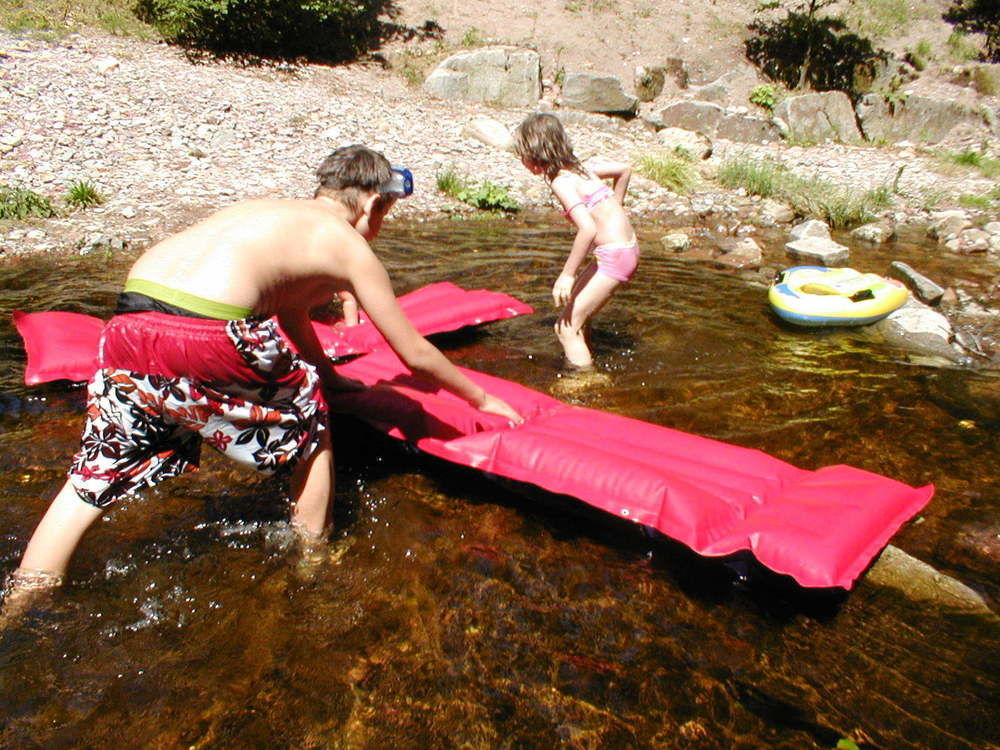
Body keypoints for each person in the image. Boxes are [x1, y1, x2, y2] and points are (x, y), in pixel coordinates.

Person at [5, 144, 523, 599]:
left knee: (95, 474)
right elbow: (414, 352)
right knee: (311, 425)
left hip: (126, 325)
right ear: (371, 202)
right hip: (208, 333)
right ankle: (313, 562)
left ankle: (25, 599)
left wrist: (330, 371)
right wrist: (480, 399)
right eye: (385, 212)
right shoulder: (347, 241)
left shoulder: (265, 211)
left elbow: (287, 307)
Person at [513, 113, 637, 369]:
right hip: (627, 249)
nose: (522, 160)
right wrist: (616, 208)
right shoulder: (582, 169)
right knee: (578, 313)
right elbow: (624, 170)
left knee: (565, 329)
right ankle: (587, 354)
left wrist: (567, 275)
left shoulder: (561, 181)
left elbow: (588, 228)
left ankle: (585, 382)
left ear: (536, 154)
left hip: (614, 256)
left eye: (523, 154)